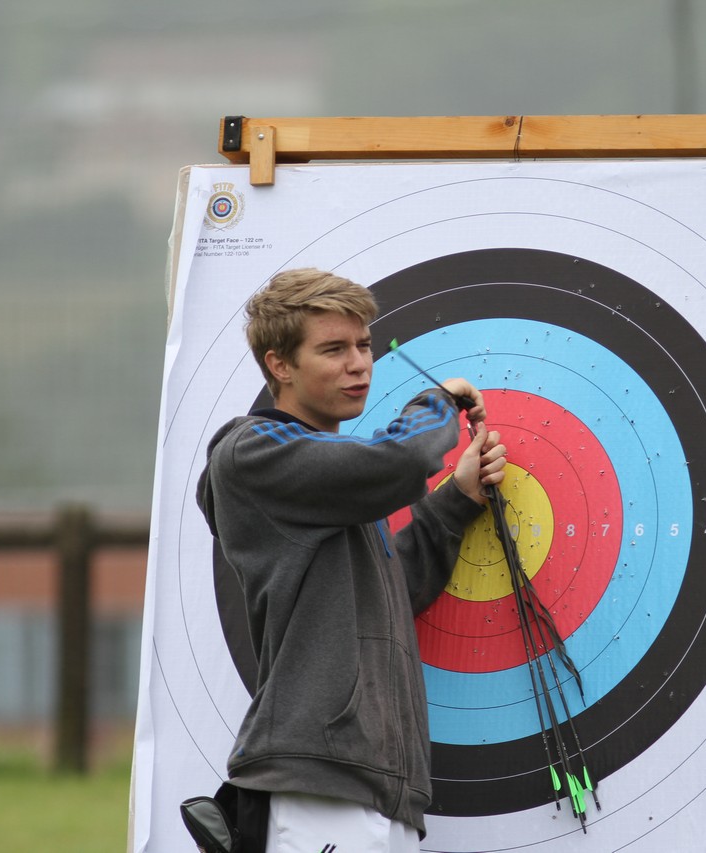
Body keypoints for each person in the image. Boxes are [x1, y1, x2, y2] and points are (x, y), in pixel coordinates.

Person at [195, 268, 507, 853]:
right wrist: (439, 401)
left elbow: (395, 587)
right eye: (333, 349)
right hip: (320, 786)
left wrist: (456, 502)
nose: (359, 363)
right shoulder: (252, 452)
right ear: (279, 365)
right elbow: (400, 457)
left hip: (378, 788)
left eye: (363, 345)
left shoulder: (332, 485)